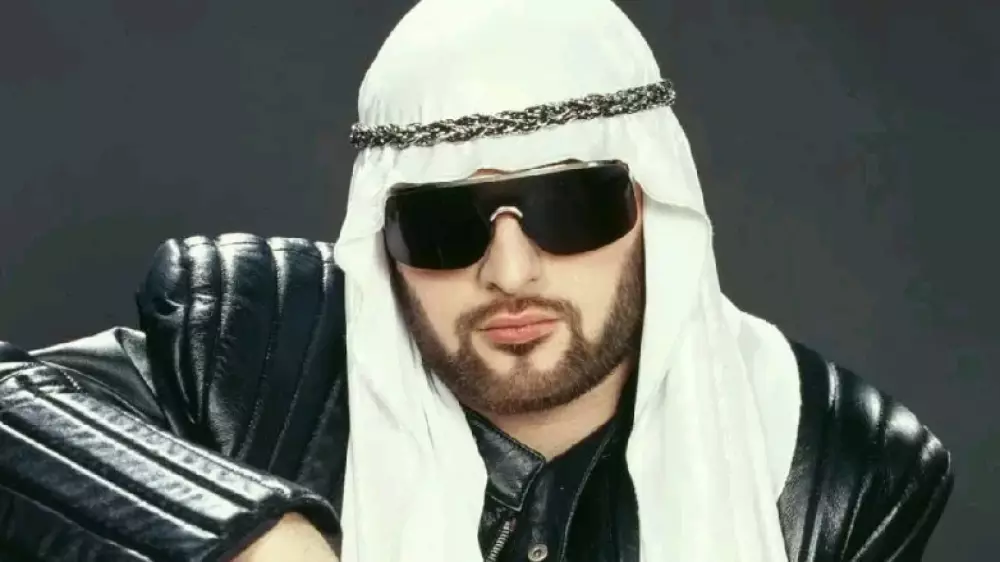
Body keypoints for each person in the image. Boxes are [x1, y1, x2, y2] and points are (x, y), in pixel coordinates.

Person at [0, 1, 953, 561]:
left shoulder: (836, 473)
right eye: (446, 224)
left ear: (650, 209)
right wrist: (251, 536)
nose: (510, 272)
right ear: (385, 236)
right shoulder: (257, 347)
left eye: (567, 207)